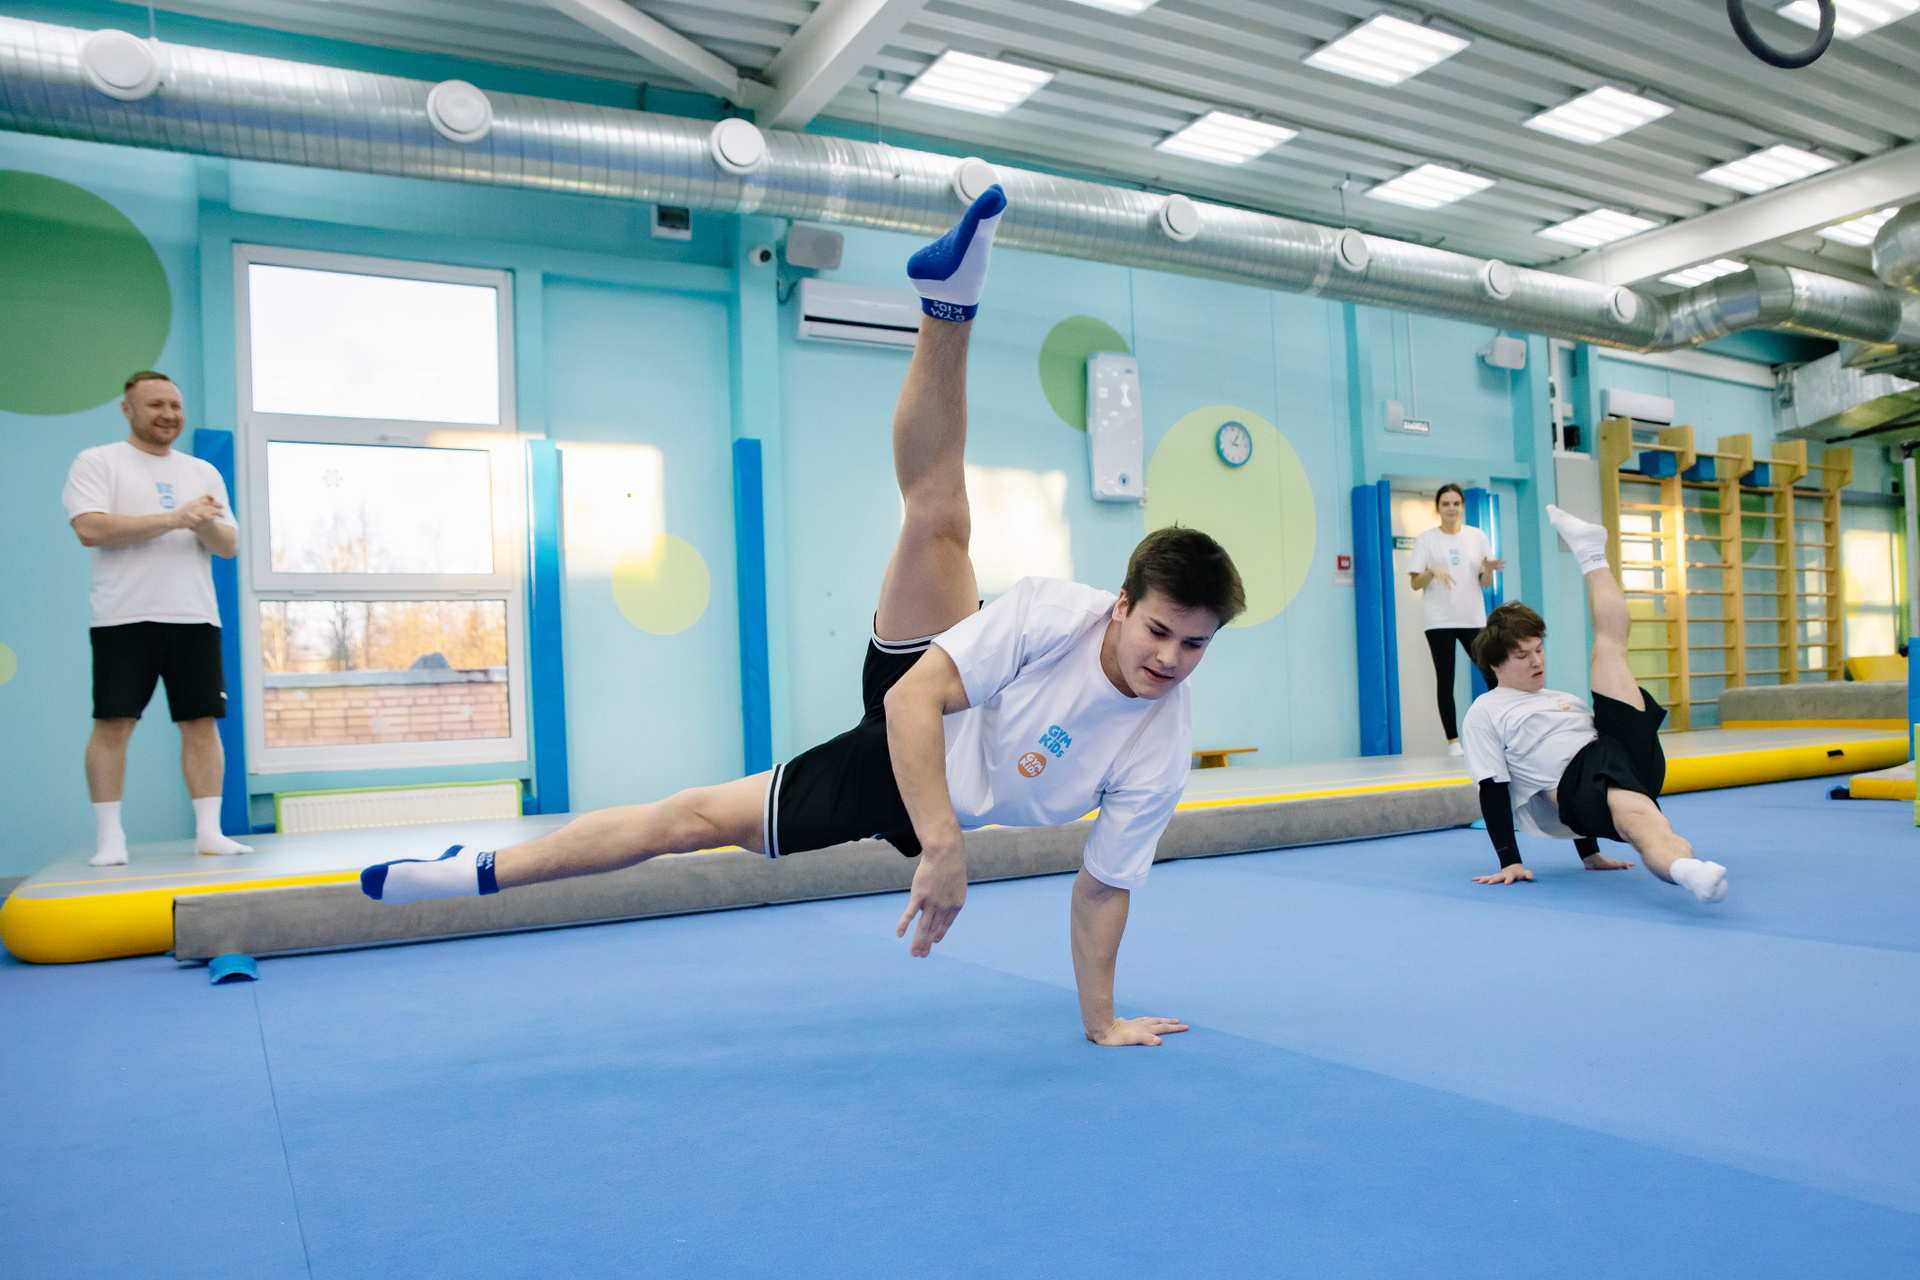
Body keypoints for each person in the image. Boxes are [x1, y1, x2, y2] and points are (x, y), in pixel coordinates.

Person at [360, 187, 1247, 1048]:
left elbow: (1103, 887)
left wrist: (1101, 1021)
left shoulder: (1160, 746)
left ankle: (478, 871)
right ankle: (950, 301)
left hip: (904, 787)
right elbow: (909, 700)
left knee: (696, 823)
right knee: (938, 516)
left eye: (1194, 645)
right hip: (925, 702)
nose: (1169, 659)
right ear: (1120, 605)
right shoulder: (1054, 613)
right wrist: (943, 850)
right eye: (1157, 631)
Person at [1459, 504, 1727, 903]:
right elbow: (1493, 788)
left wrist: (1590, 853)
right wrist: (1509, 860)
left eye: (1539, 649)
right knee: (1647, 825)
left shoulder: (1561, 699)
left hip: (1622, 757)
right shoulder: (1486, 711)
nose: (1537, 661)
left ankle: (1591, 553)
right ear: (1495, 665)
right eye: (1522, 656)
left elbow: (1594, 756)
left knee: (1610, 649)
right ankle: (1689, 871)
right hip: (1580, 782)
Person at [62, 372, 252, 866]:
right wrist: (176, 518)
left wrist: (202, 523)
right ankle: (110, 840)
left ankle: (209, 832)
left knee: (201, 723)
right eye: (155, 405)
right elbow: (90, 529)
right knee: (113, 724)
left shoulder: (202, 472)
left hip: (195, 616)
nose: (168, 414)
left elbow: (228, 545)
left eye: (174, 405)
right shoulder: (99, 462)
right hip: (123, 617)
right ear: (128, 410)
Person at [1407, 483, 1501, 756]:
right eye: (1445, 504)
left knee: (1493, 674)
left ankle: (1498, 732)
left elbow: (1485, 582)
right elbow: (1415, 583)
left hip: (1472, 617)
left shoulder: (1477, 536)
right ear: (1437, 508)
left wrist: (1488, 570)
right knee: (1446, 680)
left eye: (1456, 503)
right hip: (1439, 620)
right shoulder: (1426, 540)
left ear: (1462, 506)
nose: (1451, 508)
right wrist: (1432, 572)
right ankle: (1453, 741)